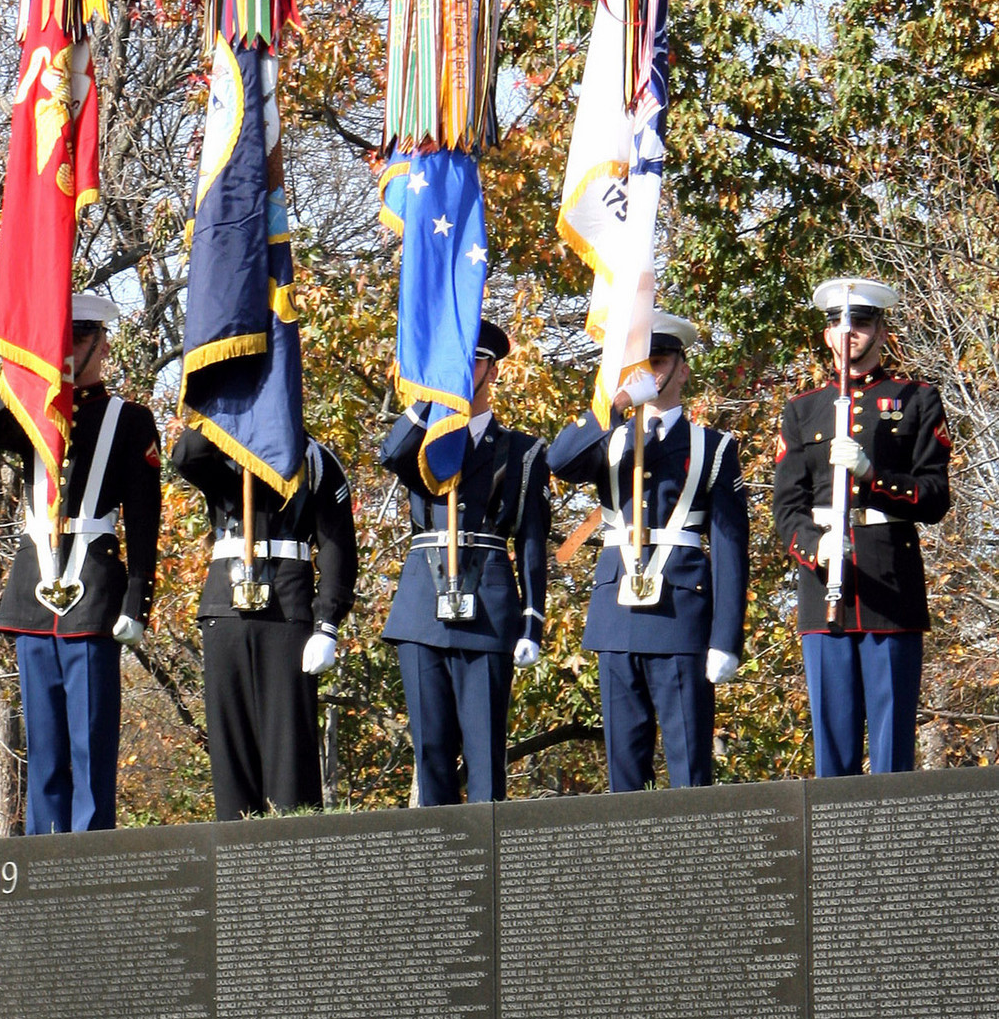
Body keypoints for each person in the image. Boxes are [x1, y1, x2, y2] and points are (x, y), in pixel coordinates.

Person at [0, 295, 162, 833]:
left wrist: (138, 600)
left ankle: (90, 857)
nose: (73, 349)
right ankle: (38, 859)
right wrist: (30, 363)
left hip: (94, 592)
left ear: (102, 345)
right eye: (64, 339)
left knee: (91, 745)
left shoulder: (131, 419)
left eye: (80, 339)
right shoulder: (31, 408)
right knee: (45, 748)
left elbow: (145, 519)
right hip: (35, 592)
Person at [548, 312, 748, 792]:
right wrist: (614, 405)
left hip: (680, 612)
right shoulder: (610, 437)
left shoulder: (713, 446)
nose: (650, 373)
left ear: (682, 368)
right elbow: (559, 461)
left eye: (658, 362)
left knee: (689, 768)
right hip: (616, 613)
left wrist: (726, 638)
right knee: (624, 772)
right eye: (641, 364)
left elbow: (730, 547)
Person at [772, 276, 953, 776]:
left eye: (860, 321)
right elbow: (786, 509)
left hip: (890, 584)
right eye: (837, 322)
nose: (847, 331)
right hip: (823, 585)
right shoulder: (802, 409)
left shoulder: (915, 399)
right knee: (832, 749)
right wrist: (816, 545)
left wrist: (874, 477)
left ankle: (891, 852)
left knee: (893, 749)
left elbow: (935, 496)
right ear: (827, 334)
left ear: (880, 330)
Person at [379, 318, 549, 805]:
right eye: (452, 361)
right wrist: (435, 398)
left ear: (491, 371)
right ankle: (440, 874)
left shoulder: (522, 450)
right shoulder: (424, 438)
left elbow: (532, 539)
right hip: (422, 605)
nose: (461, 369)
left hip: (489, 605)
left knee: (485, 756)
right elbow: (391, 455)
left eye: (470, 360)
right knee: (431, 751)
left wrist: (532, 620)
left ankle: (488, 873)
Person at [168, 425, 358, 821]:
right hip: (225, 609)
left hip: (286, 611)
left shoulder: (315, 459)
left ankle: (293, 869)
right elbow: (185, 455)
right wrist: (222, 408)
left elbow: (338, 548)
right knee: (231, 759)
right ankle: (238, 870)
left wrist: (327, 624)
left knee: (290, 758)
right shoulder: (222, 447)